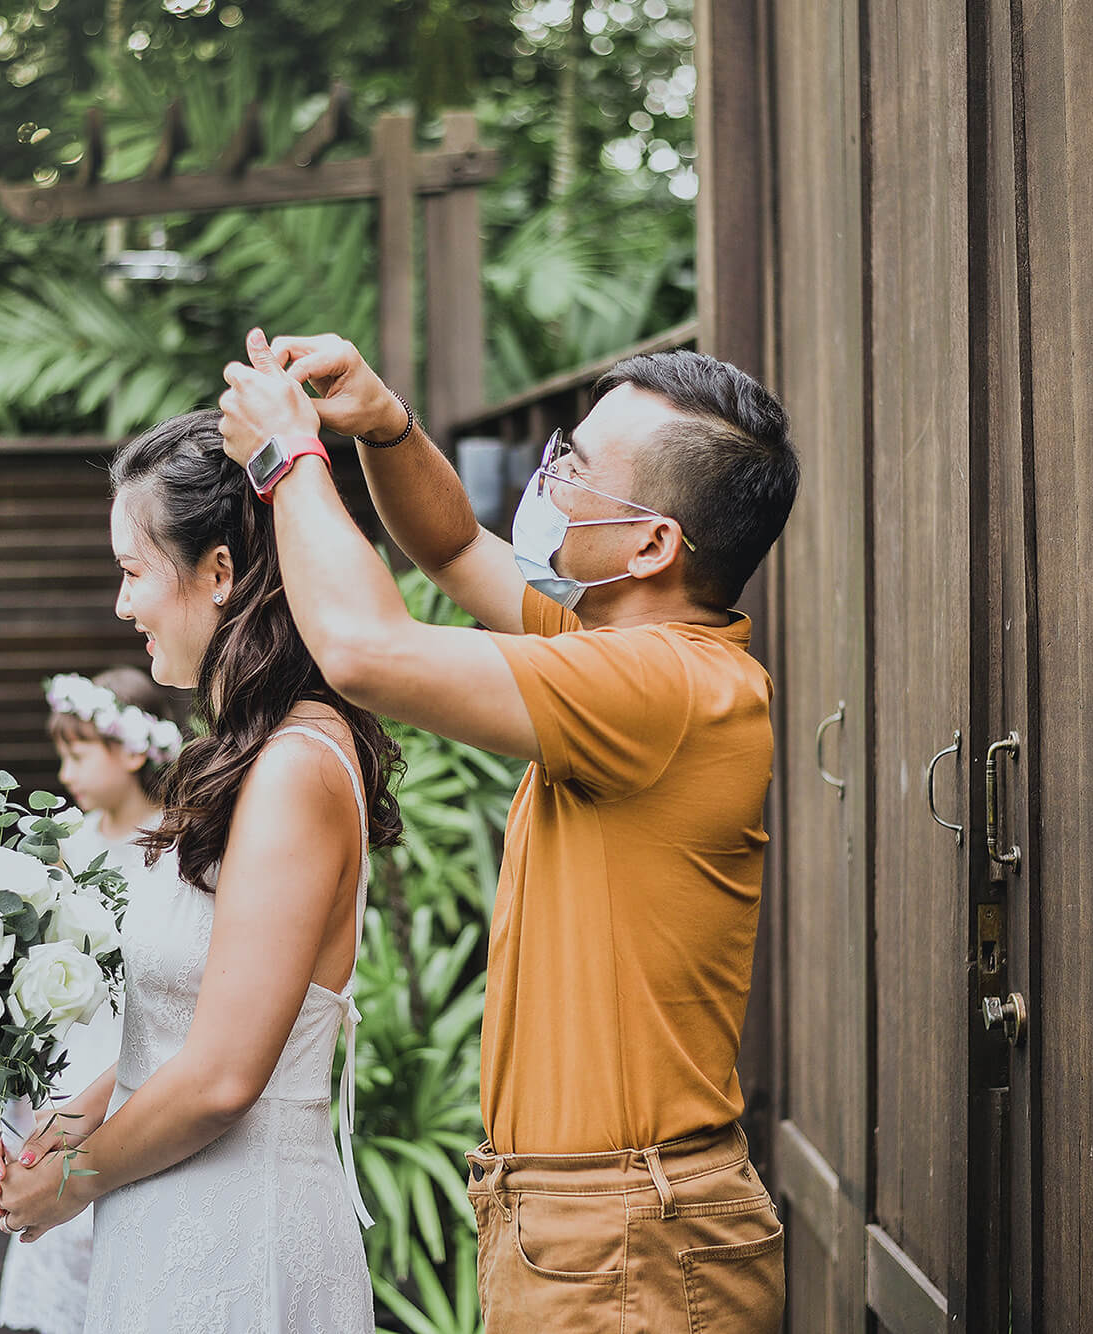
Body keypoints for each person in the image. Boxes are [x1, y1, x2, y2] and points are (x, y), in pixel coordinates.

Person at [216, 328, 797, 1333]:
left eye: (572, 465)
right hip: (594, 1220)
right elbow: (448, 548)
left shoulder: (662, 687)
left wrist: (284, 456)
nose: (549, 473)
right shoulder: (619, 643)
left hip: (627, 1235)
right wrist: (383, 426)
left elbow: (361, 648)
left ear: (651, 541)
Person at [0, 409, 399, 1334]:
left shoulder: (294, 766)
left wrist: (68, 1187)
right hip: (168, 1221)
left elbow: (220, 1077)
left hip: (242, 1240)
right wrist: (43, 1138)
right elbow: (169, 1040)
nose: (121, 605)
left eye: (133, 573)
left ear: (219, 573)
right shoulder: (241, 754)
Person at [0, 667, 184, 1334]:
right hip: (66, 1043)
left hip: (130, 1043)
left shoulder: (175, 844)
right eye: (61, 754)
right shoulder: (64, 842)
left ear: (132, 752)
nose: (65, 770)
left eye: (78, 753)